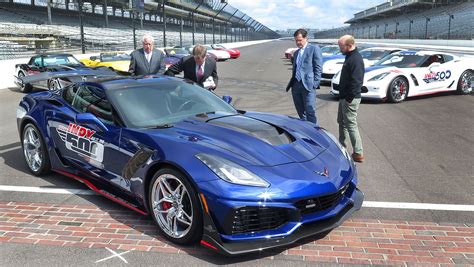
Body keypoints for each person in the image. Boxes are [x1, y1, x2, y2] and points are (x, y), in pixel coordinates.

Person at [337, 35, 365, 163]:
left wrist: (348, 99)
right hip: (344, 97)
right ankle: (341, 147)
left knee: (351, 125)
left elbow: (357, 81)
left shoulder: (356, 59)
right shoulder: (349, 56)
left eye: (341, 47)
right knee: (342, 122)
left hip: (350, 99)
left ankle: (358, 153)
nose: (339, 49)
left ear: (349, 46)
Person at [286, 28, 322, 125]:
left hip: (308, 85)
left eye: (300, 40)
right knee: (301, 113)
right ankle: (306, 133)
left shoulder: (314, 49)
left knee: (310, 111)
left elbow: (318, 67)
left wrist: (315, 83)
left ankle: (315, 134)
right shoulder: (297, 52)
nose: (298, 42)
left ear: (306, 38)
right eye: (296, 40)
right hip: (296, 85)